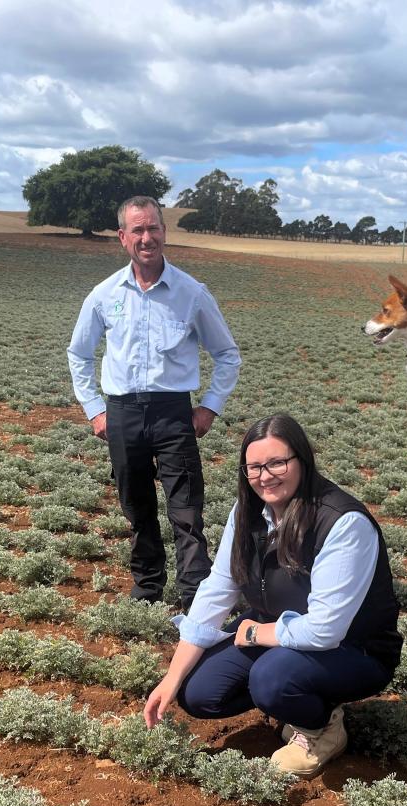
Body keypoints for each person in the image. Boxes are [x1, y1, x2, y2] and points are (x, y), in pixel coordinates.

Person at [143, 413, 402, 778]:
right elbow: (217, 588)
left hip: (354, 648)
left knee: (270, 679)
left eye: (277, 462)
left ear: (302, 459)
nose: (265, 476)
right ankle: (293, 702)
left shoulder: (341, 521)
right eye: (254, 467)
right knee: (197, 691)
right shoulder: (247, 512)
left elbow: (325, 630)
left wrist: (253, 634)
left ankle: (321, 727)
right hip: (280, 631)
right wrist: (172, 676)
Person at [68, 196, 241, 611]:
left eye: (154, 229)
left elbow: (227, 355)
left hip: (172, 413)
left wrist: (209, 406)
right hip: (122, 413)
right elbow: (78, 353)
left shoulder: (192, 293)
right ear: (122, 237)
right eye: (138, 230)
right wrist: (95, 408)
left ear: (164, 232)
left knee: (186, 510)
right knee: (138, 506)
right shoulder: (103, 294)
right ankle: (147, 588)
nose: (147, 238)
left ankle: (194, 598)